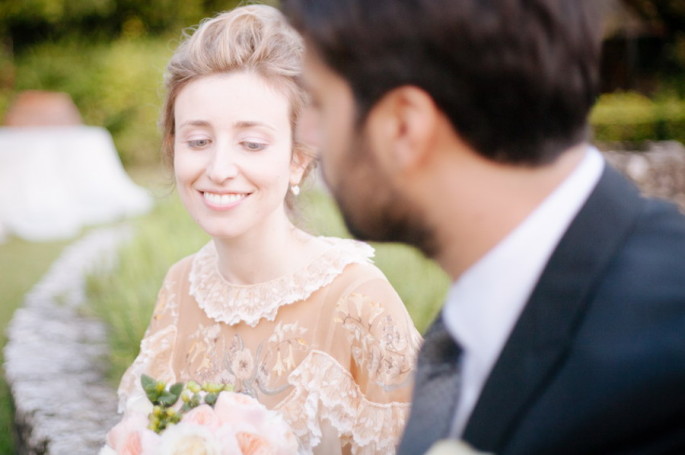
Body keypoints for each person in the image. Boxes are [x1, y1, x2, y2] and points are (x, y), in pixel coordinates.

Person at [281, 0, 685, 454]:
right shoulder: (464, 327)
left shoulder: (664, 364)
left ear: (403, 126)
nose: (308, 133)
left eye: (318, 102)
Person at [111, 5, 421, 454]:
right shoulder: (180, 286)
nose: (218, 169)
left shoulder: (358, 299)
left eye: (251, 144)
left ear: (298, 159)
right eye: (198, 141)